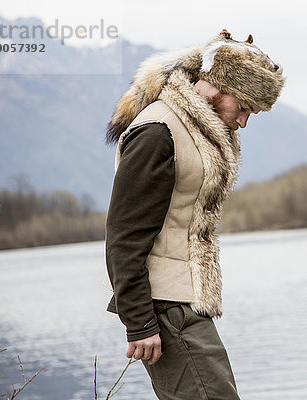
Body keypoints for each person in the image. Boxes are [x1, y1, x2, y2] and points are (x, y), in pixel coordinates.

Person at [103, 30, 285, 399]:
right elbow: (124, 234)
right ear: (220, 86)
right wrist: (139, 322)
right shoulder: (158, 131)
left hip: (187, 303)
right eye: (245, 107)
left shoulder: (197, 127)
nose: (244, 122)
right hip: (164, 309)